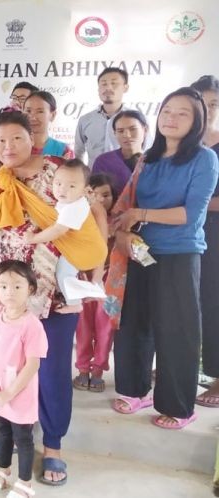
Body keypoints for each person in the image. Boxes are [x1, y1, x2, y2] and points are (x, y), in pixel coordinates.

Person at [0, 111, 108, 485]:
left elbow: (95, 215)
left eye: (16, 138)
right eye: (0, 141)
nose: (8, 147)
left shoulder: (58, 172)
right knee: (5, 368)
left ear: (31, 137)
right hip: (7, 301)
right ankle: (12, 435)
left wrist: (94, 276)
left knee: (49, 373)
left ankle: (53, 447)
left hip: (54, 296)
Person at [109, 87, 218, 430]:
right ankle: (134, 389)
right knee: (134, 324)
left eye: (182, 113)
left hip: (179, 254)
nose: (171, 118)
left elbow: (191, 214)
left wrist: (142, 213)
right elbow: (125, 205)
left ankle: (179, 406)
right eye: (167, 111)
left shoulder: (204, 158)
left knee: (177, 330)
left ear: (197, 121)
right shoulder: (147, 159)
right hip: (139, 251)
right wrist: (124, 233)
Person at [0, 260, 47, 498]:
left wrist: (10, 393)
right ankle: (3, 472)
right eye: (4, 286)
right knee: (4, 432)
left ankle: (25, 484)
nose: (10, 292)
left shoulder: (32, 326)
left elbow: (33, 364)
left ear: (30, 289)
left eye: (18, 286)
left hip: (18, 394)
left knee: (23, 438)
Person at [25, 159, 106, 313]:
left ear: (84, 190)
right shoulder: (69, 202)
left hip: (87, 251)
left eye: (72, 186)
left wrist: (33, 239)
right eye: (58, 183)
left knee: (63, 273)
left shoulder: (75, 207)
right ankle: (94, 288)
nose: (62, 189)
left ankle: (75, 304)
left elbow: (57, 230)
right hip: (88, 248)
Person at [73, 173, 116, 393]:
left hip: (109, 285)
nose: (99, 200)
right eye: (93, 194)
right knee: (82, 328)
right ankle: (82, 369)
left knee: (104, 328)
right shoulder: (78, 220)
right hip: (81, 281)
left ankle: (98, 370)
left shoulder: (118, 224)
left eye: (106, 195)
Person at [191, 75, 219, 408]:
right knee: (181, 305)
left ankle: (216, 376)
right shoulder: (178, 145)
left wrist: (194, 202)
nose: (207, 110)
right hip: (179, 237)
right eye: (202, 102)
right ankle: (174, 365)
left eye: (213, 103)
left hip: (214, 234)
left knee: (213, 303)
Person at [75, 67, 130, 166]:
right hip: (93, 179)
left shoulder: (135, 120)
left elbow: (146, 151)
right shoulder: (85, 120)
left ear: (125, 88)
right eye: (104, 84)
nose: (108, 88)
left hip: (127, 178)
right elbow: (78, 153)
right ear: (98, 89)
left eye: (114, 83)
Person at [91, 110, 148, 196]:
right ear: (115, 133)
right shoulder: (103, 162)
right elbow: (96, 197)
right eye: (120, 131)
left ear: (145, 130)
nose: (127, 135)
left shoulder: (156, 161)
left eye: (133, 129)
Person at [23, 91, 74, 159]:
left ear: (52, 115)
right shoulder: (14, 148)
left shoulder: (64, 151)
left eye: (40, 111)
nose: (33, 117)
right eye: (28, 111)